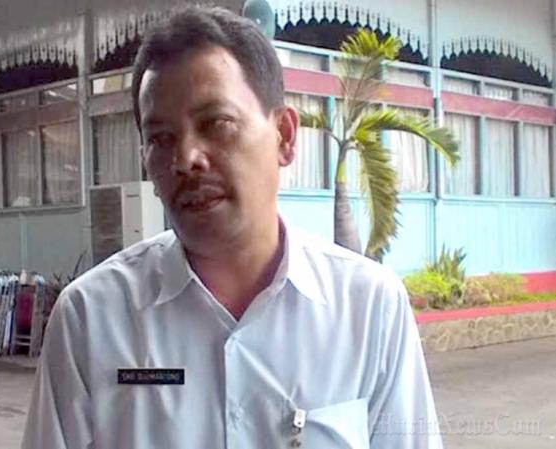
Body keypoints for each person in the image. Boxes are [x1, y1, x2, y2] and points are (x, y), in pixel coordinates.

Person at [22, 6, 443, 449]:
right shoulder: (91, 318)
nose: (185, 159)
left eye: (216, 124)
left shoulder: (369, 308)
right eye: (161, 138)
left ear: (284, 135)